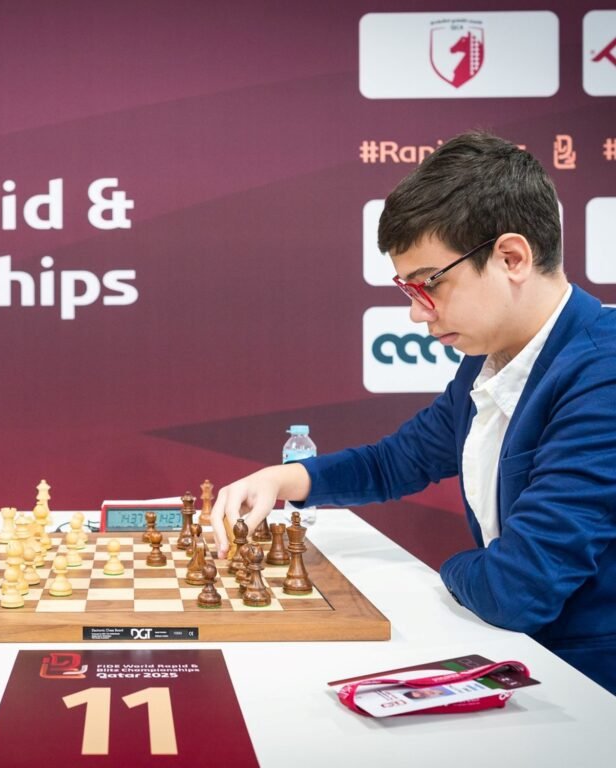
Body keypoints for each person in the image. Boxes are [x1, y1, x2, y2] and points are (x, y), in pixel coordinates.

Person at [211, 132, 616, 695]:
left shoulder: (603, 373)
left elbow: (516, 590)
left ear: (512, 258)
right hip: (529, 669)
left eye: (430, 284)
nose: (417, 315)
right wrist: (281, 479)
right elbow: (396, 461)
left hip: (589, 693)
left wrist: (444, 569)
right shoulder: (491, 361)